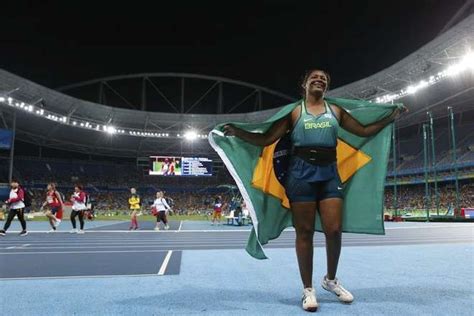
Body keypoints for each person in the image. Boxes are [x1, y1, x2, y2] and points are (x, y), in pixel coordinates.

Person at [223, 69, 406, 312]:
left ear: (326, 87)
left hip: (329, 173)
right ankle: (308, 289)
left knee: (334, 229)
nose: (319, 80)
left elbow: (363, 131)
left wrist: (389, 117)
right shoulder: (295, 111)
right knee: (305, 231)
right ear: (305, 84)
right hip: (300, 174)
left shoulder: (336, 111)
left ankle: (330, 280)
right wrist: (239, 132)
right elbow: (266, 139)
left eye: (324, 79)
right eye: (315, 77)